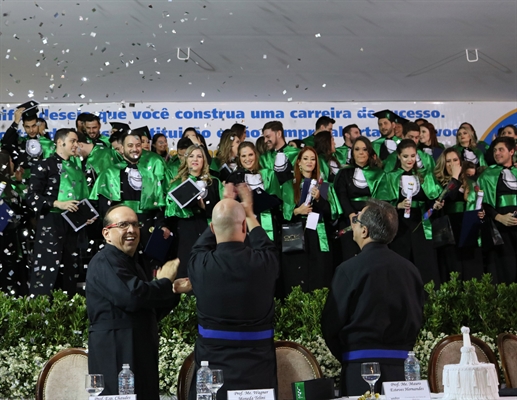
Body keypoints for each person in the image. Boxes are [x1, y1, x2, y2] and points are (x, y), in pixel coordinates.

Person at [321, 199, 424, 396]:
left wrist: (350, 355)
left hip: (360, 370)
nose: (353, 224)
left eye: (356, 220)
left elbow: (330, 325)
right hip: (402, 371)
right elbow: (417, 317)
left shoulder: (348, 270)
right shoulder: (411, 270)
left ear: (365, 231)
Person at [86, 204, 191, 399]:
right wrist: (164, 282)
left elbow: (149, 309)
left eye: (135, 224)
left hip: (139, 351)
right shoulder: (105, 261)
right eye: (123, 225)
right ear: (106, 234)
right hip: (116, 353)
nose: (132, 230)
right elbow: (132, 298)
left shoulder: (134, 263)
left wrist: (173, 290)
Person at [188, 183, 279, 400]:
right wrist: (248, 213)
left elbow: (200, 245)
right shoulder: (265, 262)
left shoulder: (199, 263)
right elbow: (266, 245)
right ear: (245, 228)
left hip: (212, 368)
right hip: (258, 368)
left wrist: (222, 208)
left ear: (212, 229)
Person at [28, 128, 91, 296]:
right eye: (72, 141)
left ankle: (69, 309)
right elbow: (31, 197)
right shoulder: (44, 165)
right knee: (47, 267)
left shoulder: (77, 168)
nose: (76, 145)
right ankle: (39, 312)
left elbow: (82, 197)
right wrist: (56, 203)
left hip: (73, 224)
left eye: (77, 141)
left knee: (71, 267)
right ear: (59, 142)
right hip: (50, 222)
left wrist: (87, 217)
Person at [377, 139, 442, 286]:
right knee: (401, 264)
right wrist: (397, 205)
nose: (410, 160)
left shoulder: (425, 176)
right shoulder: (390, 177)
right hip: (399, 227)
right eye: (406, 156)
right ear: (399, 156)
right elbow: (381, 204)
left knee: (425, 265)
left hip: (421, 224)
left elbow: (431, 199)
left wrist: (435, 205)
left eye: (413, 156)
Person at [164, 145, 222, 279]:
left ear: (204, 161)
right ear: (186, 160)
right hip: (185, 230)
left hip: (208, 229)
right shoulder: (176, 183)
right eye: (191, 156)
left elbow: (221, 210)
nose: (195, 159)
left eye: (199, 156)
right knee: (186, 265)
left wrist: (204, 207)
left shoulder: (214, 182)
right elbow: (169, 211)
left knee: (208, 267)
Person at [433, 148, 485, 282]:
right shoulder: (438, 182)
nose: (452, 164)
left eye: (455, 160)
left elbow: (477, 204)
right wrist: (454, 178)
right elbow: (447, 196)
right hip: (449, 230)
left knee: (471, 271)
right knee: (453, 271)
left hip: (467, 228)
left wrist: (481, 213)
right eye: (448, 161)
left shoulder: (470, 183)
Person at [334, 137, 384, 262]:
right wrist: (351, 215)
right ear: (352, 152)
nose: (361, 152)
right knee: (350, 256)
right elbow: (342, 195)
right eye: (357, 149)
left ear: (369, 152)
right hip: (349, 220)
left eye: (364, 149)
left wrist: (368, 214)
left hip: (371, 219)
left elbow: (380, 197)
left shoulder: (378, 173)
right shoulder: (344, 173)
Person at [478, 136, 517, 284]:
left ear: (512, 151)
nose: (497, 153)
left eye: (501, 149)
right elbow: (483, 203)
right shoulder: (487, 175)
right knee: (506, 271)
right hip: (501, 231)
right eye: (494, 150)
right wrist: (499, 217)